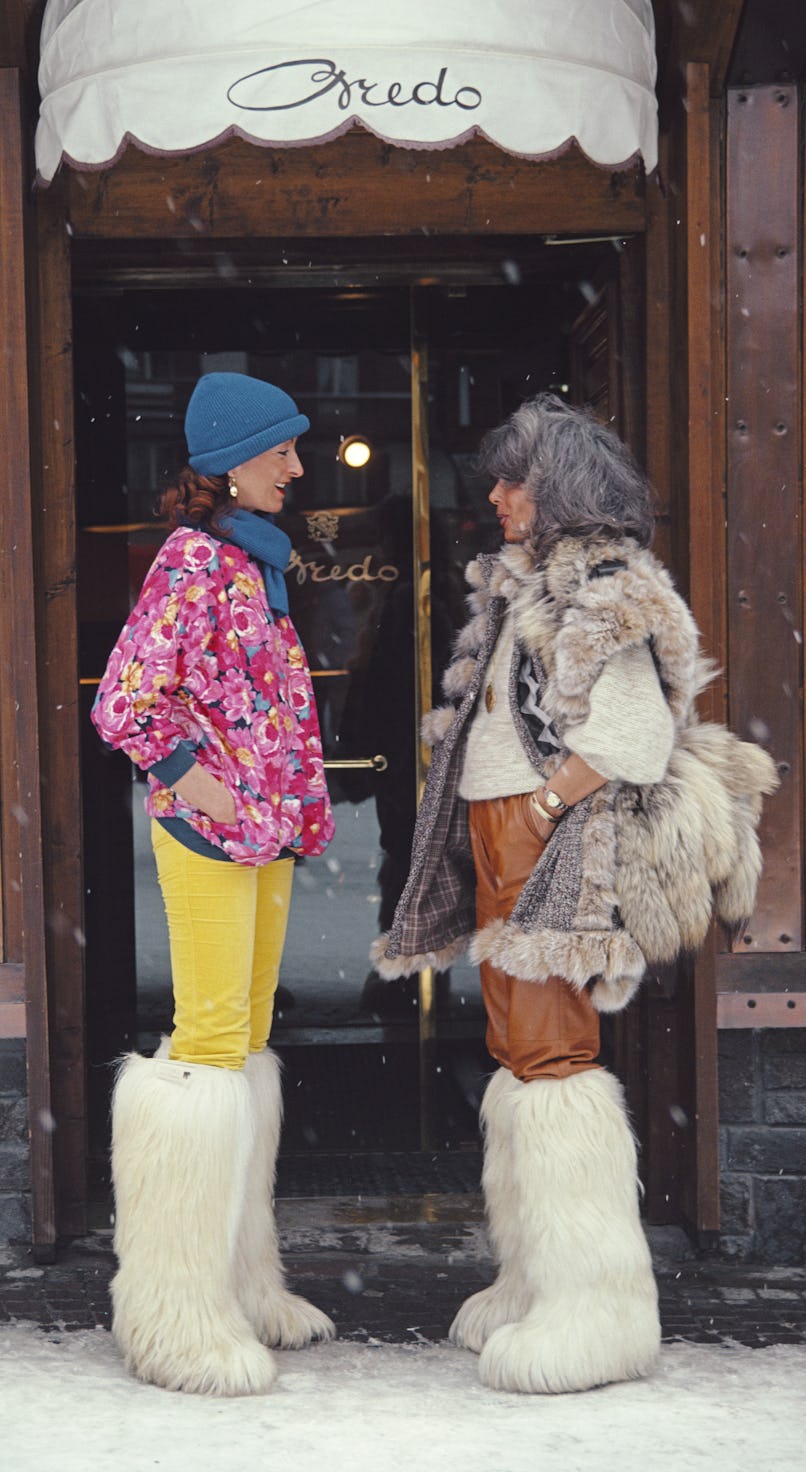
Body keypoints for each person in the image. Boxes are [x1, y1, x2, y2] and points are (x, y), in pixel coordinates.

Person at [372, 392, 777, 1395]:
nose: (498, 494)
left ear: (558, 488)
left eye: (515, 477)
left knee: (554, 1055)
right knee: (521, 1054)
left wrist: (545, 805)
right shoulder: (531, 587)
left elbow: (633, 737)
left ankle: (594, 1309)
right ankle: (536, 1281)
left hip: (549, 841)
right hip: (506, 835)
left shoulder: (602, 587)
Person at [91, 372, 336, 1396]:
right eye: (281, 449)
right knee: (204, 1049)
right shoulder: (194, 562)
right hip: (210, 833)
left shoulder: (253, 562)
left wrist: (269, 802)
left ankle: (239, 1282)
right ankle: (176, 1313)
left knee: (238, 1043)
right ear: (233, 458)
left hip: (262, 835)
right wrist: (200, 782)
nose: (297, 464)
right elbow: (123, 701)